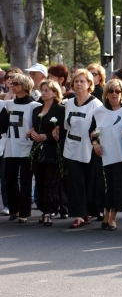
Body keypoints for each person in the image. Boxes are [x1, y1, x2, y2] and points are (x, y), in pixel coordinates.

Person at [62, 69, 103, 228]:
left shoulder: (95, 104)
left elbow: (100, 126)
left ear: (89, 84)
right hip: (72, 147)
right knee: (74, 181)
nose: (79, 84)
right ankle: (78, 215)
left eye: (82, 81)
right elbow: (67, 125)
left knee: (88, 181)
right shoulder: (69, 103)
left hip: (89, 148)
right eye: (76, 81)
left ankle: (89, 212)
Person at [0, 74, 42, 223]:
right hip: (11, 146)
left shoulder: (34, 106)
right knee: (10, 178)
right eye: (11, 83)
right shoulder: (8, 104)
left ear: (24, 86)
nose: (12, 85)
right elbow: (3, 126)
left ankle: (24, 212)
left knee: (25, 179)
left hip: (27, 146)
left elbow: (37, 125)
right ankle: (14, 210)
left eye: (16, 83)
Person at [90, 79, 122, 231]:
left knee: (118, 186)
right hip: (104, 156)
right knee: (105, 186)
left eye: (117, 91)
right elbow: (92, 132)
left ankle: (113, 216)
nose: (114, 94)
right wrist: (95, 144)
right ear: (106, 93)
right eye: (111, 91)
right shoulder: (98, 112)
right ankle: (106, 211)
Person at [28, 80, 65, 227]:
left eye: (47, 90)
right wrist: (33, 134)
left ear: (55, 93)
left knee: (51, 182)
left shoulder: (60, 110)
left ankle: (48, 213)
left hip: (52, 151)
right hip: (37, 151)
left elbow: (61, 131)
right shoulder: (37, 110)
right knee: (40, 181)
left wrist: (47, 137)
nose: (43, 93)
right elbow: (34, 127)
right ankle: (44, 210)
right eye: (42, 90)